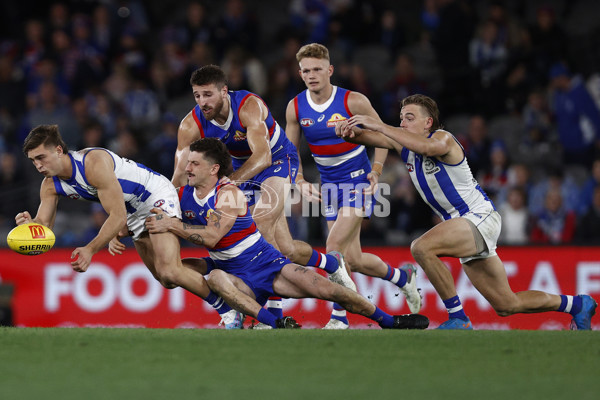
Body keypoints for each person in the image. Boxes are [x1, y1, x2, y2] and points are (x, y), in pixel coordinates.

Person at [335, 94, 597, 330]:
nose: (402, 123)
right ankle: (576, 305)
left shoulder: (442, 138)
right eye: (401, 118)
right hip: (464, 225)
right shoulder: (404, 145)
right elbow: (361, 137)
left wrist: (380, 125)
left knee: (421, 247)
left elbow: (426, 148)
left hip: (478, 217)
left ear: (428, 123)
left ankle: (458, 317)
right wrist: (343, 130)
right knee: (507, 304)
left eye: (410, 118)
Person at [146, 137, 430, 330]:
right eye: (188, 163)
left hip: (265, 262)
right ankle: (273, 322)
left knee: (328, 290)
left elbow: (210, 238)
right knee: (194, 275)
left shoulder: (228, 193)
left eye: (194, 163)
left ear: (214, 169)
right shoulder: (180, 195)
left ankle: (390, 322)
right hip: (228, 268)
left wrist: (172, 225)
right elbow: (149, 208)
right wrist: (127, 226)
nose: (187, 168)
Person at [172, 65, 355, 327]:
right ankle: (330, 262)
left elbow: (262, 156)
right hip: (239, 168)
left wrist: (227, 187)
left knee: (260, 221)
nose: (203, 102)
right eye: (197, 96)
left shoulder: (249, 105)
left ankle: (269, 316)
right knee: (286, 250)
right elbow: (178, 176)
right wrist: (165, 205)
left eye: (208, 94)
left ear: (224, 91)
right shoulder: (190, 124)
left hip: (277, 160)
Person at [15, 124, 242, 329]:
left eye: (41, 157)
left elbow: (117, 215)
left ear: (58, 150)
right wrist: (29, 226)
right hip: (133, 211)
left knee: (170, 269)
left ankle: (228, 311)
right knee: (166, 279)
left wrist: (91, 249)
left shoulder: (92, 163)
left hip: (154, 196)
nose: (38, 165)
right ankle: (215, 266)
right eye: (33, 160)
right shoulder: (49, 186)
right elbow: (44, 228)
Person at [285, 43, 421, 329]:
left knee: (333, 246)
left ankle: (339, 317)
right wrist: (298, 179)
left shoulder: (353, 101)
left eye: (317, 70)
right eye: (306, 71)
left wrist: (376, 170)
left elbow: (384, 134)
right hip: (329, 186)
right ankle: (403, 278)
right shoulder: (295, 107)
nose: (312, 75)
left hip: (359, 182)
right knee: (354, 260)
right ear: (300, 73)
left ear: (330, 70)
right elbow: (290, 150)